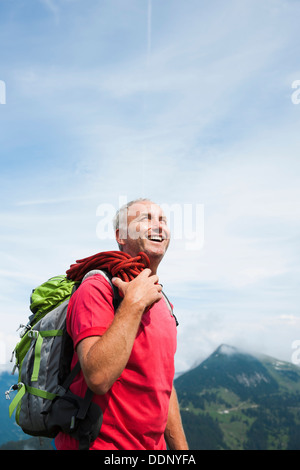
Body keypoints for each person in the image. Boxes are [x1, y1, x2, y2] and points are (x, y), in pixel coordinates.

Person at [55, 198, 188, 450]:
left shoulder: (162, 302)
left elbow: (164, 383)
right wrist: (133, 305)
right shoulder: (97, 288)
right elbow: (98, 377)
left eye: (162, 220)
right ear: (121, 236)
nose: (158, 225)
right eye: (145, 219)